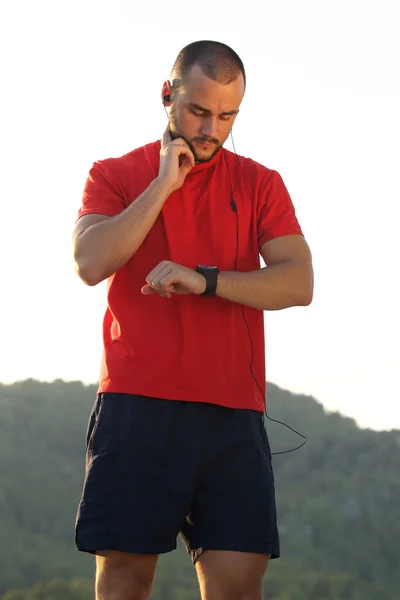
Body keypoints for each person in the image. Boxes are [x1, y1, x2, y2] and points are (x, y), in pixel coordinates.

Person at [73, 40, 313, 600]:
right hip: (138, 406)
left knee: (237, 587)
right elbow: (90, 262)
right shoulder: (115, 173)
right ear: (168, 97)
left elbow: (297, 282)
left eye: (227, 116)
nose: (211, 129)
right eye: (199, 112)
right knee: (126, 583)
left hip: (233, 414)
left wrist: (205, 279)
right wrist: (164, 185)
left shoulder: (259, 183)